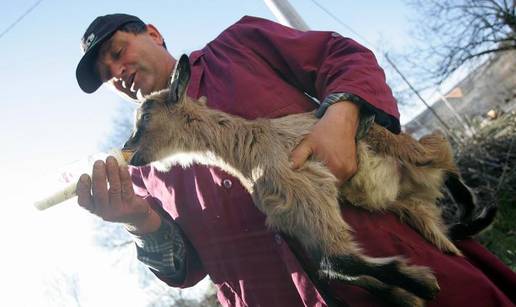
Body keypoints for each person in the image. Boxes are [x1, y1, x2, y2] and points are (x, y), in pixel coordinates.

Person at [75, 13, 516, 307]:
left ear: (152, 33)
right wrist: (140, 223)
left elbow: (343, 57)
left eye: (117, 53)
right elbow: (187, 268)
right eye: (106, 77)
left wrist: (341, 114)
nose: (117, 73)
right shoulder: (149, 166)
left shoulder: (239, 45)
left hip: (396, 261)